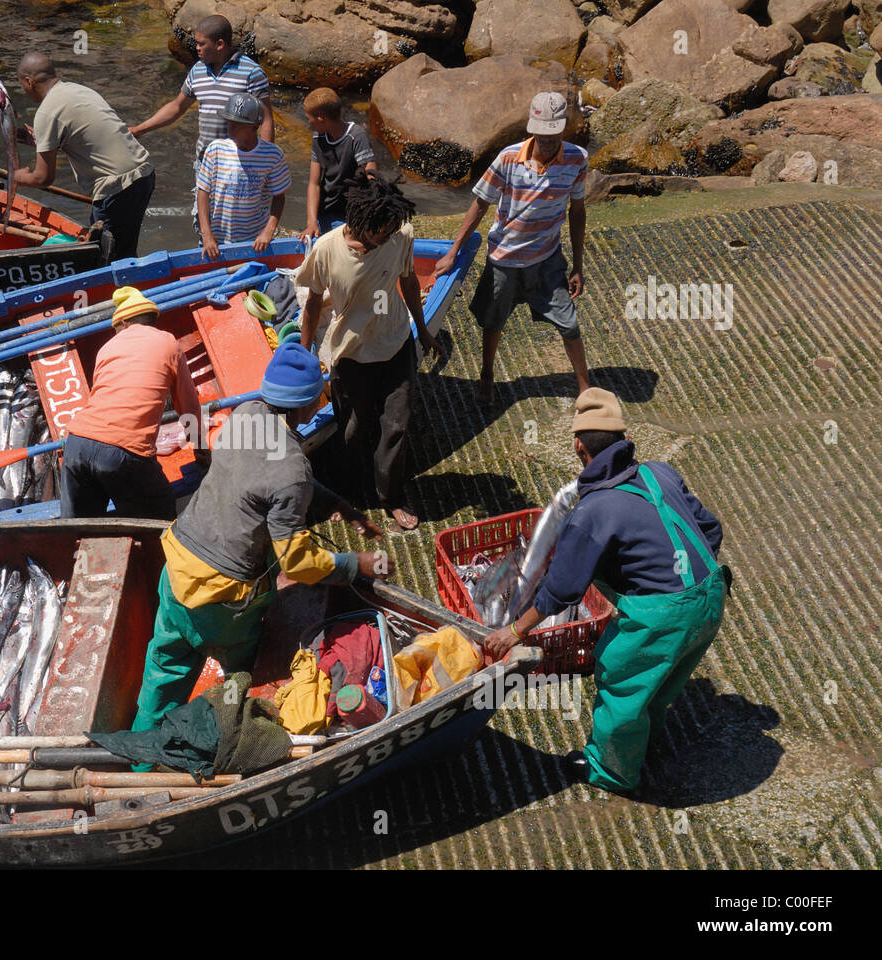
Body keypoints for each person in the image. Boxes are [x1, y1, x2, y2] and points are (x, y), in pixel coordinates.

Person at [483, 388, 730, 796]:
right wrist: (686, 579)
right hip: (711, 593)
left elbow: (561, 589)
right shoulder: (659, 472)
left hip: (660, 614)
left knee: (621, 678)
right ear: (624, 439)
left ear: (578, 445)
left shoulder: (592, 511)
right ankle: (644, 738)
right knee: (663, 676)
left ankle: (612, 771)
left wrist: (515, 631)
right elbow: (711, 530)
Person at [131, 344, 388, 732]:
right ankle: (230, 735)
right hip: (221, 603)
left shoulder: (245, 415)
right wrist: (357, 564)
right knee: (240, 678)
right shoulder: (292, 468)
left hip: (177, 568)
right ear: (306, 406)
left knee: (164, 671)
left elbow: (269, 483)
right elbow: (297, 564)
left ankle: (142, 756)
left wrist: (339, 506)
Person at [297, 173, 446, 532]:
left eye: (395, 228)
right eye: (383, 231)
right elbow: (314, 304)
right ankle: (345, 493)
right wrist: (304, 355)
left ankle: (391, 496)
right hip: (351, 354)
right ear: (361, 223)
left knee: (396, 424)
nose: (390, 236)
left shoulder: (400, 237)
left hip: (396, 344)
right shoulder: (328, 249)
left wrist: (422, 329)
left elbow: (409, 280)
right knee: (352, 429)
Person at [431, 91, 590, 406]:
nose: (545, 140)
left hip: (547, 260)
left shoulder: (577, 160)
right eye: (539, 133)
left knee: (569, 323)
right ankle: (487, 375)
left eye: (552, 133)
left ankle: (586, 388)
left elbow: (577, 210)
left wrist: (578, 266)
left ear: (563, 129)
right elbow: (480, 203)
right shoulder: (507, 158)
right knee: (494, 322)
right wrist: (453, 251)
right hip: (504, 258)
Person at [59, 287, 203, 520]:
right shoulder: (169, 343)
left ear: (124, 323)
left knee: (79, 529)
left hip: (77, 444)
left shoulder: (106, 348)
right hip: (124, 453)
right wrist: (201, 449)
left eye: (115, 328)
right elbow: (188, 407)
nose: (115, 333)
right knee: (160, 519)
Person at [128, 14, 273, 233]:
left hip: (241, 164)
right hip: (205, 163)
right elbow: (177, 107)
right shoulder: (197, 71)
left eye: (201, 43)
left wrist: (264, 163)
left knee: (238, 225)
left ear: (220, 44)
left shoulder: (251, 73)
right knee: (203, 223)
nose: (196, 48)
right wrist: (140, 129)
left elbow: (266, 121)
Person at [10, 53, 155, 262]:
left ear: (28, 82)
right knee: (125, 251)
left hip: (116, 187)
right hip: (143, 173)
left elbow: (43, 179)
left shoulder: (46, 113)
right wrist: (41, 141)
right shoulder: (78, 90)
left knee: (105, 259)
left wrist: (16, 177)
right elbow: (86, 140)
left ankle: (123, 290)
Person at [196, 92, 290, 259]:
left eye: (237, 126)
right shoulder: (216, 149)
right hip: (217, 240)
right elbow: (202, 192)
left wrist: (268, 232)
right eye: (228, 123)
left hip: (254, 241)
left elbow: (279, 196)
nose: (229, 129)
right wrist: (207, 234)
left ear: (255, 126)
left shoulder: (272, 155)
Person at [298, 87, 377, 240]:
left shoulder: (356, 136)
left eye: (309, 118)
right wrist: (311, 222)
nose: (308, 122)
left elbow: (372, 176)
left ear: (321, 118)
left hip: (350, 213)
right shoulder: (318, 138)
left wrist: (367, 217)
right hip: (326, 211)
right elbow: (314, 184)